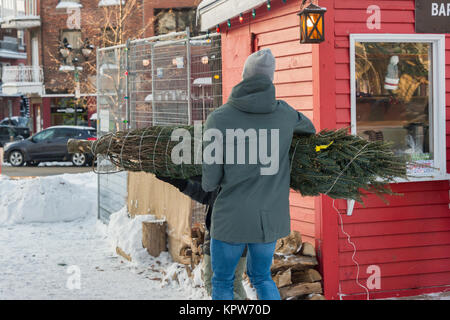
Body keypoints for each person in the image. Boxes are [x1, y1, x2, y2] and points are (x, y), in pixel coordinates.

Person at [202, 49, 316, 300]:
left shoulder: (218, 119)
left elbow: (210, 180)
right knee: (262, 277)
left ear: (243, 77)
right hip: (268, 218)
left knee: (222, 281)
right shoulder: (285, 114)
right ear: (270, 79)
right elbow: (310, 128)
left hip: (230, 217)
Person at [155, 175, 248, 300]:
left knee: (213, 284)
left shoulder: (230, 175)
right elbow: (205, 194)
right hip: (241, 235)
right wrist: (177, 180)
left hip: (223, 235)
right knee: (234, 283)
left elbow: (208, 192)